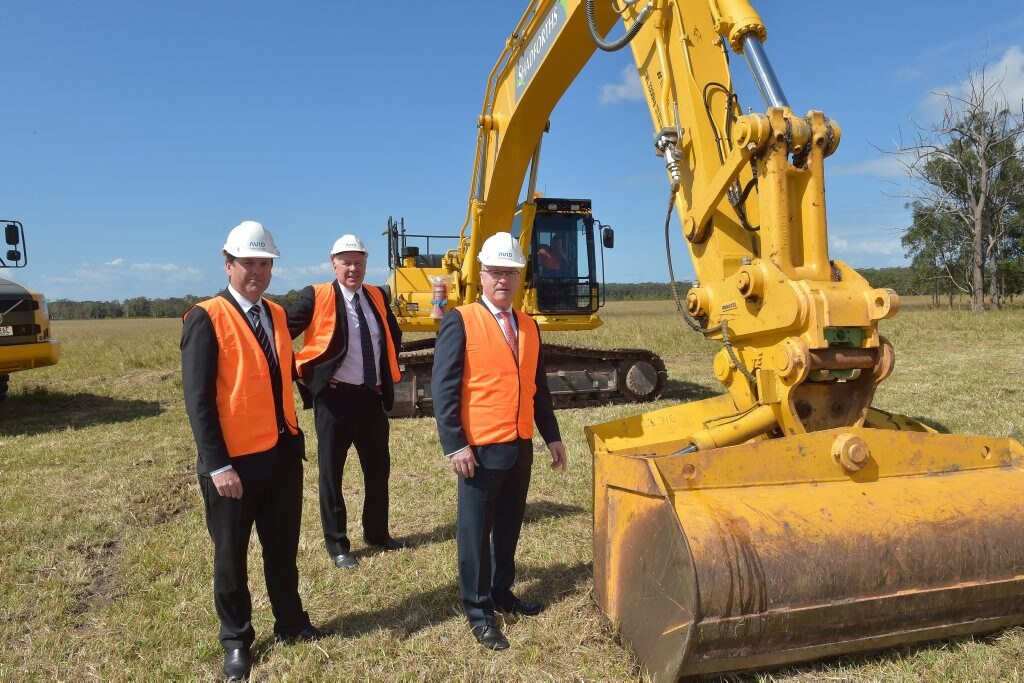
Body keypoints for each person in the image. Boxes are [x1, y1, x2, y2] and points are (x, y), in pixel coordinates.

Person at [181, 220, 332, 681]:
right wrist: (217, 464)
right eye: (249, 262)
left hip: (281, 454)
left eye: (265, 263)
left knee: (282, 547)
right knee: (231, 555)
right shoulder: (206, 317)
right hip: (233, 464)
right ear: (228, 264)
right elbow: (199, 400)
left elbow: (280, 372)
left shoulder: (278, 315)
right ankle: (236, 640)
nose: (258, 271)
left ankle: (290, 621)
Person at [431, 231, 568, 651]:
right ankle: (477, 610)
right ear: (482, 275)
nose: (503, 280)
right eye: (495, 272)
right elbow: (444, 387)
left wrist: (552, 436)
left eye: (510, 273)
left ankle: (502, 591)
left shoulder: (527, 325)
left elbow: (536, 386)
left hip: (519, 445)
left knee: (508, 525)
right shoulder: (462, 319)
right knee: (475, 533)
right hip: (479, 449)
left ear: (519, 277)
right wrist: (455, 444)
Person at [287, 234, 404, 571]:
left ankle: (377, 533)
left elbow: (391, 336)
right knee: (331, 475)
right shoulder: (317, 295)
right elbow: (282, 331)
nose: (353, 268)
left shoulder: (378, 296)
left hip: (371, 398)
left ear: (366, 264)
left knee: (378, 469)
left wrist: (387, 373)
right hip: (335, 401)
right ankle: (338, 545)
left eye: (359, 262)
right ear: (333, 263)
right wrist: (311, 374)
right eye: (346, 261)